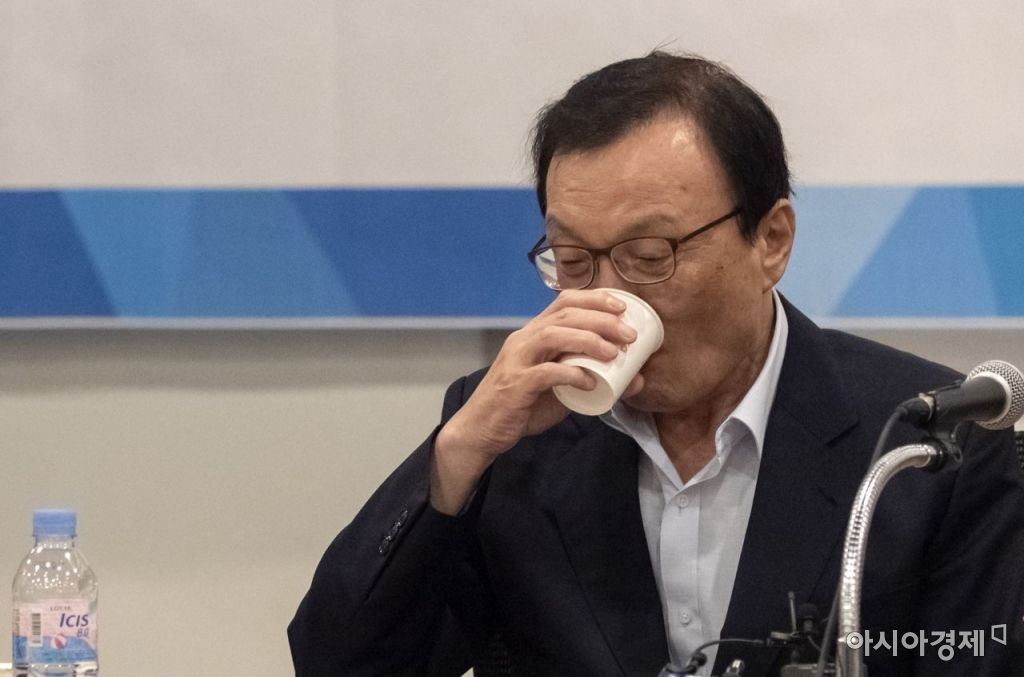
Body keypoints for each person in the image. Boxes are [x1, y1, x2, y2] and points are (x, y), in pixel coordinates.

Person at [288, 52, 1024, 676]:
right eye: (572, 260)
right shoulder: (509, 435)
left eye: (649, 257)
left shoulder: (932, 441)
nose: (608, 300)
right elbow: (340, 664)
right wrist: (455, 459)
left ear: (771, 240)